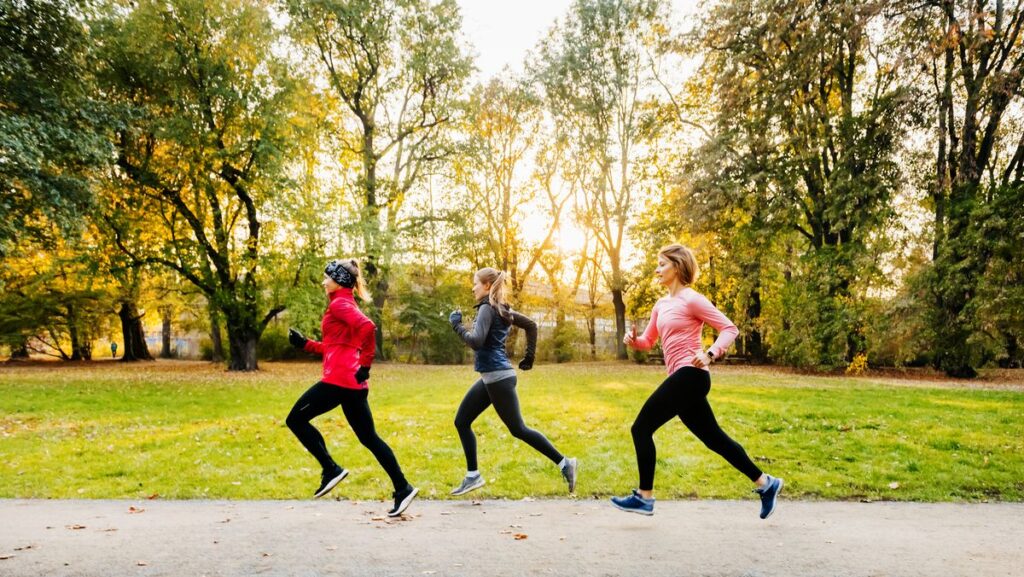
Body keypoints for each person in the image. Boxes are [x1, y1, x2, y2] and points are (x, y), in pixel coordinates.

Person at [610, 244, 783, 518]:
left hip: (691, 375)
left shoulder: (692, 299)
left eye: (662, 264)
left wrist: (710, 353)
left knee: (640, 428)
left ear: (677, 267)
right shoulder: (661, 305)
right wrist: (633, 341)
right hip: (682, 379)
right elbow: (649, 341)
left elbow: (729, 328)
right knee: (714, 439)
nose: (657, 269)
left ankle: (645, 497)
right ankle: (765, 483)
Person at [286, 259, 417, 517]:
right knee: (369, 438)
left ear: (339, 280)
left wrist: (367, 364)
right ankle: (403, 488)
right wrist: (305, 344)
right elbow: (336, 347)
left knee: (295, 419)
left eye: (327, 277)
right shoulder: (346, 304)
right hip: (352, 382)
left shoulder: (340, 304)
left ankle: (331, 468)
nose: (324, 281)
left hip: (339, 380)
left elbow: (369, 327)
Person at [447, 267, 578, 496]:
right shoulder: (502, 309)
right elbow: (531, 325)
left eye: (475, 283)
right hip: (494, 377)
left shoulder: (488, 308)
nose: (472, 286)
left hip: (497, 378)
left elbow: (476, 341)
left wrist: (457, 326)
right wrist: (529, 357)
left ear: (487, 285)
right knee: (462, 421)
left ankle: (565, 463)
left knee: (518, 429)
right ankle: (473, 475)